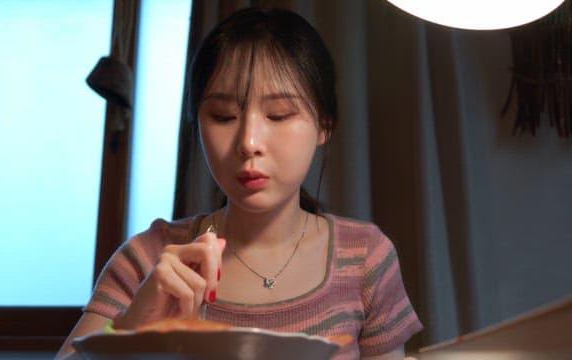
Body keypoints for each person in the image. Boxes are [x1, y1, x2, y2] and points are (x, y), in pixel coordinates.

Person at [57, 7, 422, 360]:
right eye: (223, 116)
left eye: (279, 115)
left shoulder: (365, 258)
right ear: (196, 125)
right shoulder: (148, 259)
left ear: (324, 125)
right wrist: (127, 331)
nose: (249, 142)